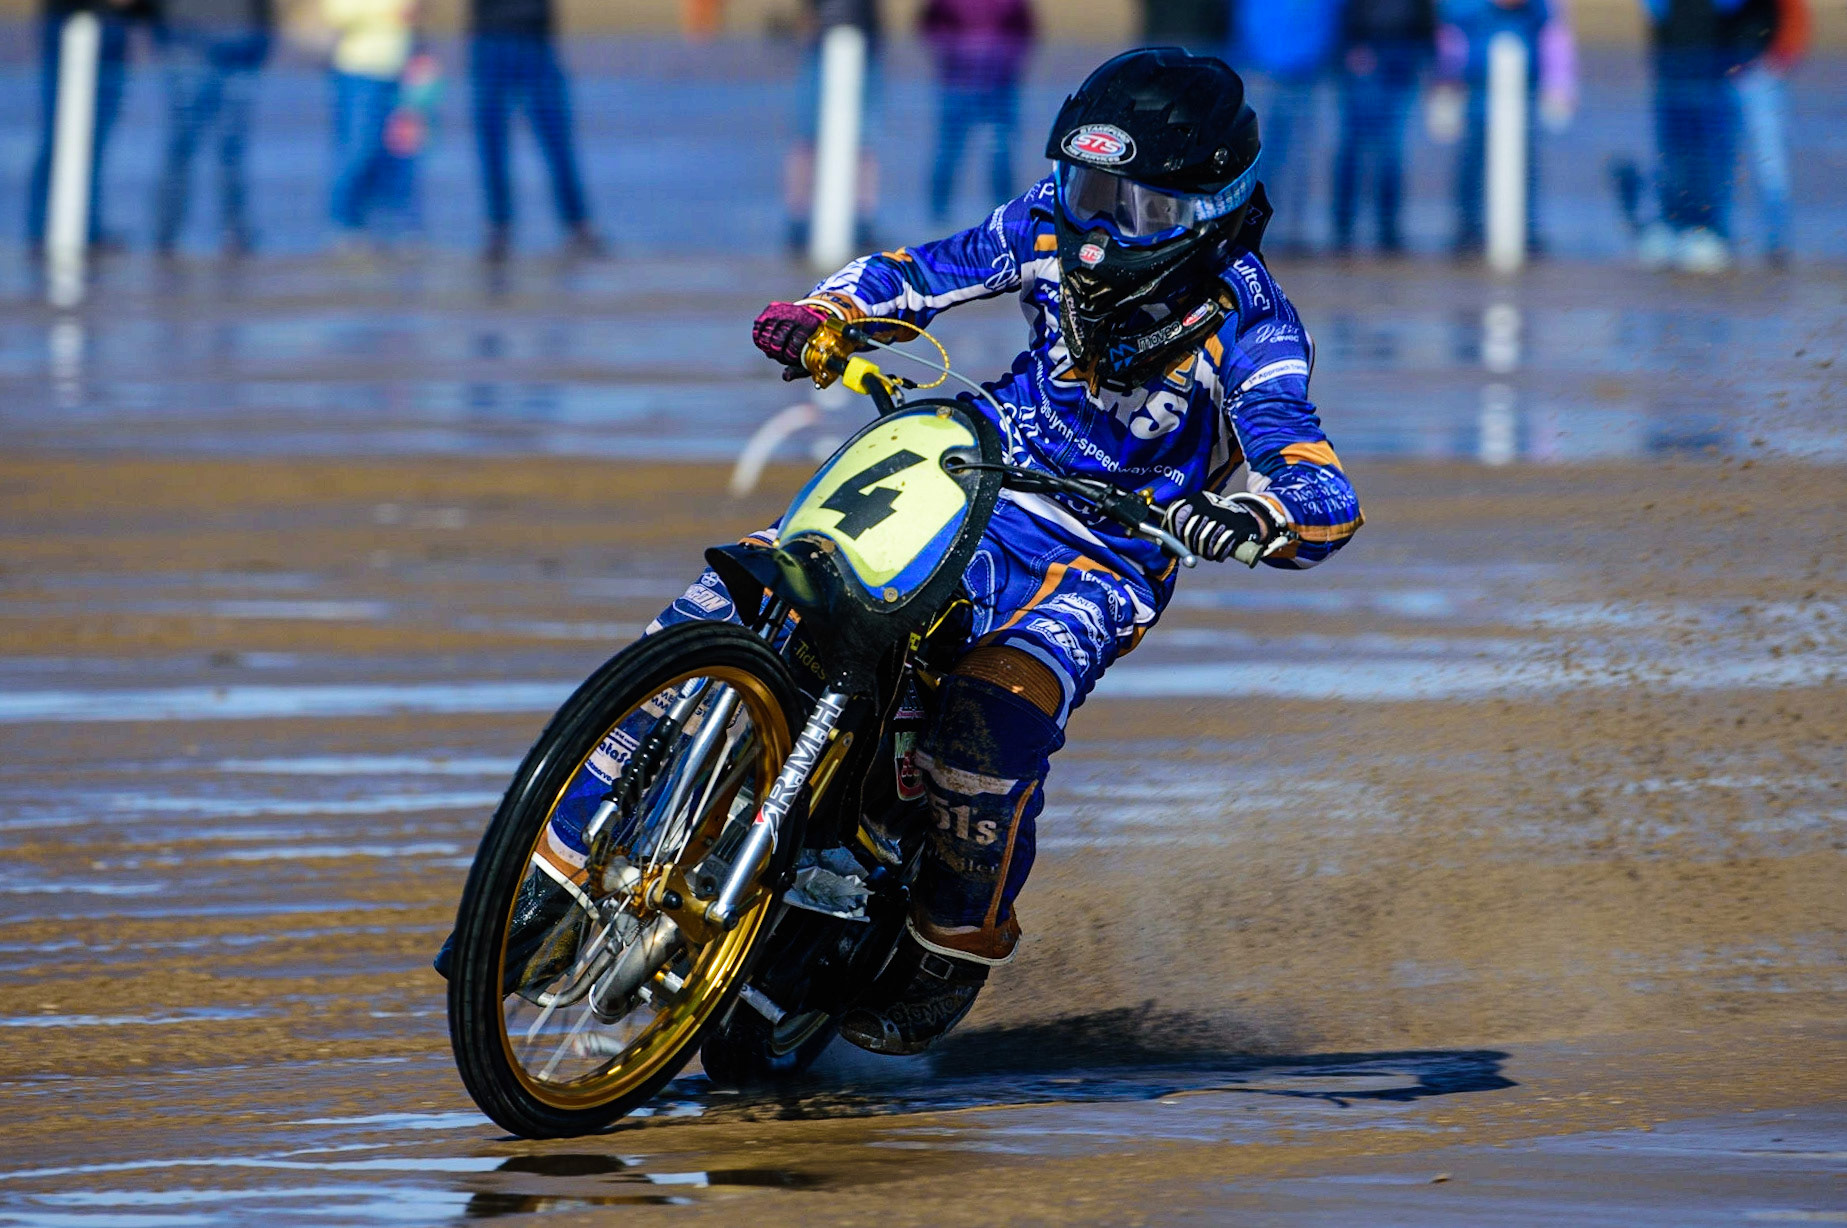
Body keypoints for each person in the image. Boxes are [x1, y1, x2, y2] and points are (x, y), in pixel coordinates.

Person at [433, 49, 1364, 1057]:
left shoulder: (1255, 324)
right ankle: (556, 862)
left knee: (991, 717)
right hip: (969, 462)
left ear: (1209, 210)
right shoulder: (1038, 226)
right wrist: (826, 313)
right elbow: (921, 273)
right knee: (742, 586)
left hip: (1102, 548)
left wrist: (1257, 515)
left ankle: (950, 938)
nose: (1097, 230)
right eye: (1088, 190)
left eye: (1136, 208)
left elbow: (1315, 477)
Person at [469, 0, 602, 261]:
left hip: (537, 37)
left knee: (556, 136)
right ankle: (498, 228)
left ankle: (577, 225)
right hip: (491, 36)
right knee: (492, 139)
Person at [1439, 0, 1570, 257]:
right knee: (1472, 161)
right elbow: (1449, 36)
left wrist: (1559, 84)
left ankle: (1525, 229)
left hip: (1523, 92)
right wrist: (1446, 81)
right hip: (1475, 88)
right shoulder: (1465, 9)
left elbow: (1555, 39)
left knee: (1523, 162)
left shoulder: (1538, 9)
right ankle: (1468, 228)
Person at [25, 0, 147, 253]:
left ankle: (86, 227)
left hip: (112, 25)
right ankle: (43, 229)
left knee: (94, 138)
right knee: (62, 132)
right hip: (73, 22)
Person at [153, 0, 271, 256]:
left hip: (241, 40)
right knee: (183, 144)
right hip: (187, 36)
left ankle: (234, 231)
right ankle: (166, 234)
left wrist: (263, 29)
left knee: (230, 148)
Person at [1636, 0, 1747, 273]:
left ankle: (1708, 229)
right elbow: (1654, 10)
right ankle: (1674, 224)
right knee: (1673, 153)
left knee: (1708, 155)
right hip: (1671, 64)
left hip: (1712, 66)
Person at [1231, 0, 1341, 253]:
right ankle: (1259, 227)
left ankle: (1294, 229)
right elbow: (1245, 18)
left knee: (1301, 157)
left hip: (1307, 74)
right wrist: (1253, 57)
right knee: (1262, 155)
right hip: (1265, 72)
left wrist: (1318, 55)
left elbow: (1330, 18)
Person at [1331, 0, 1436, 254]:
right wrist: (1353, 42)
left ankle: (1387, 229)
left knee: (1393, 149)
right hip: (1368, 47)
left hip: (1405, 50)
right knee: (1357, 146)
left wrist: (1427, 46)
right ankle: (1344, 229)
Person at [920, 0, 1035, 226]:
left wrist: (1008, 58)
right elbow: (930, 23)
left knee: (1000, 152)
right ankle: (937, 219)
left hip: (999, 81)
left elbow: (1024, 27)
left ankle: (1006, 219)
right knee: (950, 150)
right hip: (958, 81)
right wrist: (949, 51)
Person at [783, 0, 883, 253]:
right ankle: (799, 222)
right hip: (822, 50)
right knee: (809, 140)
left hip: (865, 48)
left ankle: (862, 222)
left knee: (863, 143)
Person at [323, 0, 417, 246]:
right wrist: (386, 10)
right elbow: (337, 13)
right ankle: (345, 223)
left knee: (398, 152)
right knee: (359, 148)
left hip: (401, 70)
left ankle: (388, 222)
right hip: (359, 70)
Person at [1728, 0, 1806, 264]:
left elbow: (1795, 12)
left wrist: (1777, 61)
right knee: (1719, 160)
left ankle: (1777, 242)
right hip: (1719, 72)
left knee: (1770, 162)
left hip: (1759, 73)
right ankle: (1720, 236)